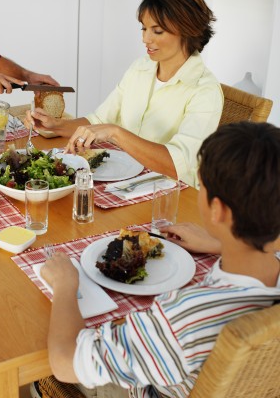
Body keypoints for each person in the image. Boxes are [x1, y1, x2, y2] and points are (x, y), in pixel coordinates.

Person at [37, 121, 280, 398]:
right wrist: (220, 243)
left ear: (218, 210)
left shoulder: (186, 317)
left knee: (39, 361)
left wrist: (66, 285)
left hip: (151, 389)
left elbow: (65, 361)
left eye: (200, 185)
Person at [26, 0, 223, 188]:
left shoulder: (205, 91)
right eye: (144, 28)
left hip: (170, 195)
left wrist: (115, 133)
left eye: (157, 31)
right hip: (125, 182)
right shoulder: (141, 68)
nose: (145, 39)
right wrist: (55, 125)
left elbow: (177, 164)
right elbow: (99, 120)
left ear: (187, 30)